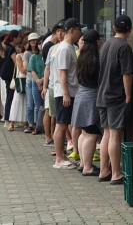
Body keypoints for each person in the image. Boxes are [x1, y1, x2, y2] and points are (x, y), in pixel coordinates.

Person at [96, 15, 133, 184]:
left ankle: (104, 170)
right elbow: (127, 75)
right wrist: (128, 95)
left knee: (106, 133)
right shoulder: (124, 47)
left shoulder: (105, 45)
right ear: (130, 30)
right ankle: (116, 173)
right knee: (115, 135)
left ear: (114, 28)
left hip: (102, 94)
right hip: (115, 96)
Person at [52, 18, 85, 169]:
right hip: (65, 92)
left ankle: (62, 156)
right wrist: (66, 94)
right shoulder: (65, 48)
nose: (81, 33)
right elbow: (62, 73)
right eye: (79, 30)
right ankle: (59, 158)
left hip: (69, 91)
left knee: (64, 124)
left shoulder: (68, 47)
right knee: (61, 125)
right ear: (71, 30)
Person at [70, 30, 103, 176]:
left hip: (81, 96)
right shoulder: (96, 59)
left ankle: (83, 163)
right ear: (96, 42)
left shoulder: (81, 57)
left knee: (84, 133)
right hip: (91, 97)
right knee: (91, 134)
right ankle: (88, 167)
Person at [41, 20, 65, 146]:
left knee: (59, 117)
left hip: (64, 87)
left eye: (63, 31)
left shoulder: (72, 47)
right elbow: (47, 68)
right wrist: (44, 87)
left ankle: (58, 141)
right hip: (52, 86)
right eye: (58, 32)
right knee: (50, 112)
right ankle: (49, 138)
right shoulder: (51, 48)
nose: (60, 34)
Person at [0, 30, 22, 124]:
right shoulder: (11, 49)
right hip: (11, 76)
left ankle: (8, 116)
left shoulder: (7, 47)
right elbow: (16, 63)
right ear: (14, 38)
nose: (20, 39)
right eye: (18, 37)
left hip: (7, 76)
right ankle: (8, 117)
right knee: (10, 96)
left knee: (9, 96)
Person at [8, 39, 28, 131]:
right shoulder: (19, 56)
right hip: (21, 81)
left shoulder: (33, 54)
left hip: (29, 80)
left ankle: (26, 123)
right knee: (17, 101)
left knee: (27, 103)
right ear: (23, 45)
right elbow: (22, 70)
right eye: (26, 43)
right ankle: (12, 123)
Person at [28, 37, 45, 135]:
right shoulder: (34, 57)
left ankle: (45, 126)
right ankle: (38, 126)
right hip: (35, 83)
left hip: (46, 82)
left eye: (42, 43)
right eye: (39, 43)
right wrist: (38, 80)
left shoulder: (47, 56)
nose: (40, 45)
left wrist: (43, 80)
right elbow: (32, 70)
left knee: (46, 107)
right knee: (38, 106)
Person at [22, 33, 39, 133]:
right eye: (32, 40)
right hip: (30, 81)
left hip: (40, 81)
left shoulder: (40, 52)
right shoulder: (27, 53)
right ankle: (30, 124)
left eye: (35, 40)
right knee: (30, 104)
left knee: (38, 105)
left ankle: (38, 124)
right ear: (28, 42)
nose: (34, 42)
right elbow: (26, 68)